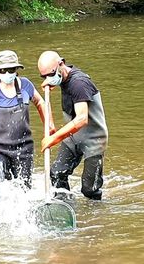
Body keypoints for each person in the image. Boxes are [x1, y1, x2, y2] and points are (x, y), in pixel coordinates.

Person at [0, 50, 52, 189]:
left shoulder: (26, 85)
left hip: (24, 148)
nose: (7, 74)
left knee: (24, 189)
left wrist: (49, 124)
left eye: (11, 70)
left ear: (17, 70)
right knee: (1, 188)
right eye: (3, 70)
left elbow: (41, 103)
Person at [37, 51, 108, 200]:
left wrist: (54, 138)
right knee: (56, 173)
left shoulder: (79, 83)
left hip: (93, 139)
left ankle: (96, 215)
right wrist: (52, 82)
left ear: (61, 64)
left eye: (51, 74)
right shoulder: (63, 77)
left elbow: (82, 119)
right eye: (44, 77)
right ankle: (66, 205)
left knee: (90, 189)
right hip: (73, 137)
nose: (48, 79)